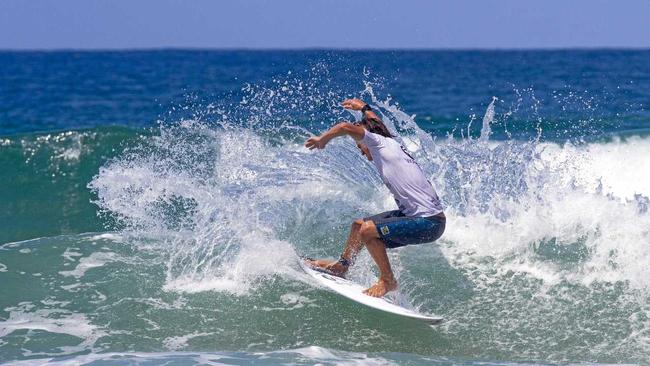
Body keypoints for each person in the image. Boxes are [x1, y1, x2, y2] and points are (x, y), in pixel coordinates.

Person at [304, 98, 446, 297]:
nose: (360, 151)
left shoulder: (376, 141)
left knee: (368, 230)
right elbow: (376, 123)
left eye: (359, 146)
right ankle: (342, 267)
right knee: (358, 226)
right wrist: (364, 108)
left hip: (428, 223)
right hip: (418, 216)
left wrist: (322, 139)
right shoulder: (388, 142)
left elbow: (345, 127)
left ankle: (388, 281)